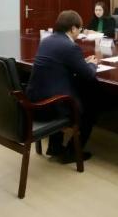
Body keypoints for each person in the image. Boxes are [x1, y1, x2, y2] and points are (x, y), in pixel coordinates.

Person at [26, 10, 99, 163]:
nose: (79, 32)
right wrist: (92, 64)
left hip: (33, 100)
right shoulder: (70, 46)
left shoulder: (46, 41)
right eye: (79, 29)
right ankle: (73, 152)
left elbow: (61, 64)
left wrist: (82, 63)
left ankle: (55, 147)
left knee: (63, 91)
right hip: (51, 106)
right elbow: (89, 75)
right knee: (91, 108)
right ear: (73, 28)